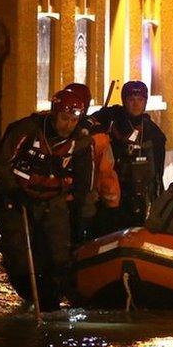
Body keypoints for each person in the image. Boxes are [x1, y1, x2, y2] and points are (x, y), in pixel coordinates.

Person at [0, 89, 94, 311]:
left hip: (53, 200)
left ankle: (51, 300)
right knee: (19, 254)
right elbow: (1, 164)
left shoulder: (81, 143)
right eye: (65, 118)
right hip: (18, 200)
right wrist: (12, 191)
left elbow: (84, 182)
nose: (68, 125)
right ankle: (28, 293)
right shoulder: (27, 131)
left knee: (58, 254)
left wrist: (79, 215)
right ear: (54, 114)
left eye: (74, 120)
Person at [90, 81, 167, 232]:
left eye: (140, 100)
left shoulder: (154, 133)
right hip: (114, 196)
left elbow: (158, 171)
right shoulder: (112, 121)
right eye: (131, 99)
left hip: (141, 198)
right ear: (124, 101)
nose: (136, 104)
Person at [61, 82, 120, 244]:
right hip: (83, 204)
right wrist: (112, 203)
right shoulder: (97, 135)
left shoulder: (54, 129)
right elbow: (106, 172)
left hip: (56, 201)